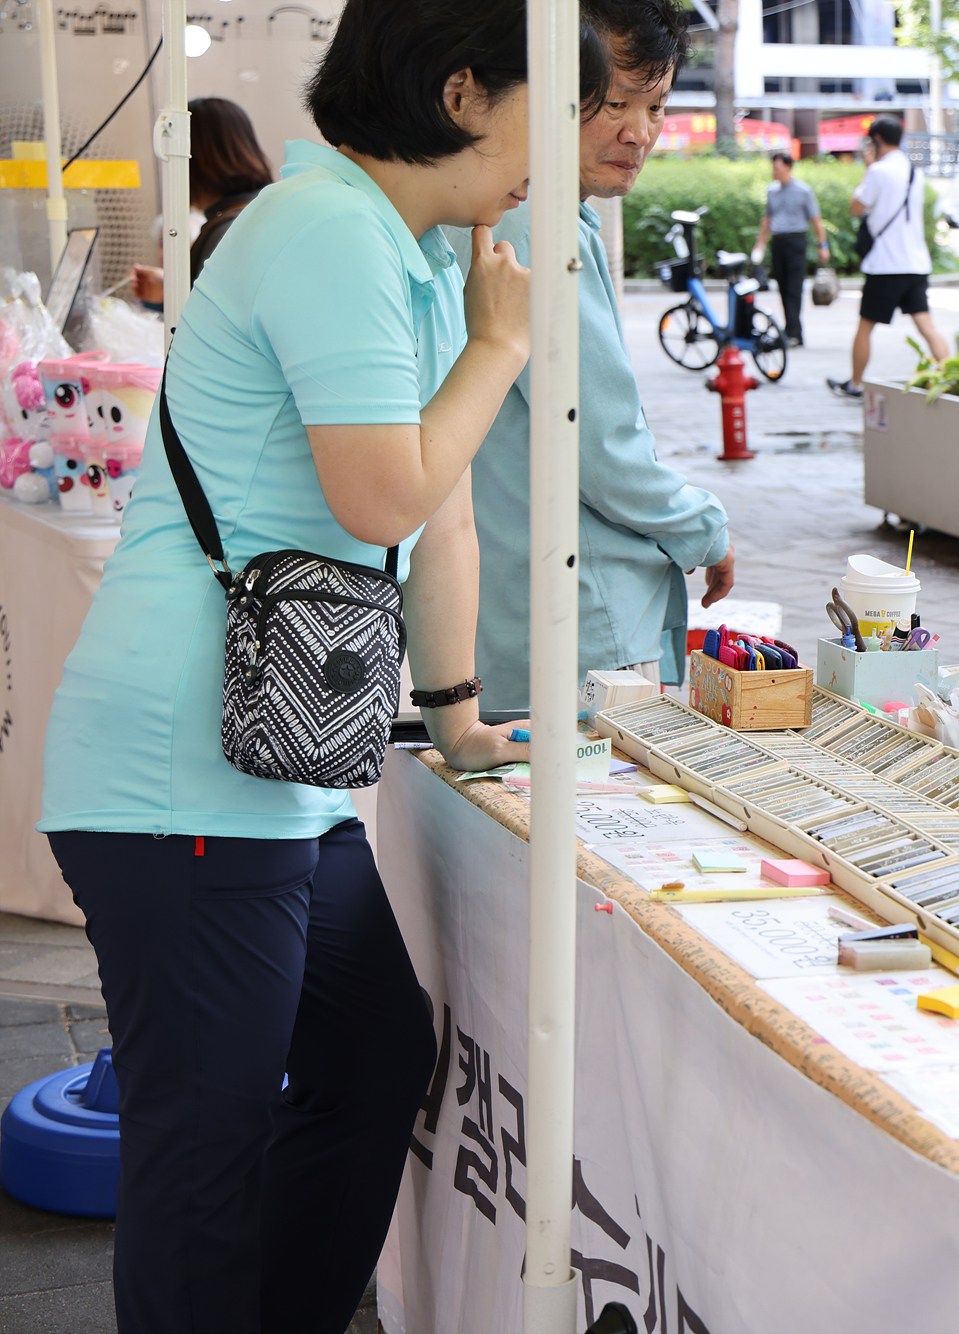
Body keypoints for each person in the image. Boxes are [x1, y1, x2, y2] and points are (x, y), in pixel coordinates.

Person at [38, 1, 535, 1328]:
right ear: (463, 92)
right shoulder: (326, 231)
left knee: (370, 1061)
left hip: (276, 766)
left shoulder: (397, 246)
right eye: (556, 105)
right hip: (184, 773)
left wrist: (455, 715)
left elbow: (437, 517)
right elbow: (384, 496)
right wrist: (499, 349)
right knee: (203, 1151)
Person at [463, 0, 733, 710]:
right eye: (616, 102)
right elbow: (600, 440)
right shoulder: (534, 219)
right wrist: (705, 529)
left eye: (657, 106)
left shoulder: (532, 210)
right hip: (582, 612)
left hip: (524, 608)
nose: (638, 132)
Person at [826, 116, 949, 400]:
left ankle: (856, 384)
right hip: (916, 263)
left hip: (885, 264)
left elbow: (856, 207)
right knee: (926, 326)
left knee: (865, 327)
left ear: (877, 139)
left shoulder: (878, 171)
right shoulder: (914, 171)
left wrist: (869, 168)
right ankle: (950, 377)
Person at [129, 97, 277, 303]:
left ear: (194, 159)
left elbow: (216, 316)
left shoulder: (227, 231)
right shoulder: (266, 209)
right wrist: (173, 289)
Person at [752, 151, 830, 347]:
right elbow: (767, 218)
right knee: (783, 287)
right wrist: (761, 243)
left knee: (794, 288)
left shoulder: (803, 191)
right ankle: (792, 332)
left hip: (796, 241)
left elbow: (816, 220)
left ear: (788, 167)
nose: (774, 171)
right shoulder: (772, 191)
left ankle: (794, 333)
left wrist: (823, 245)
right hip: (778, 242)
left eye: (777, 168)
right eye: (773, 168)